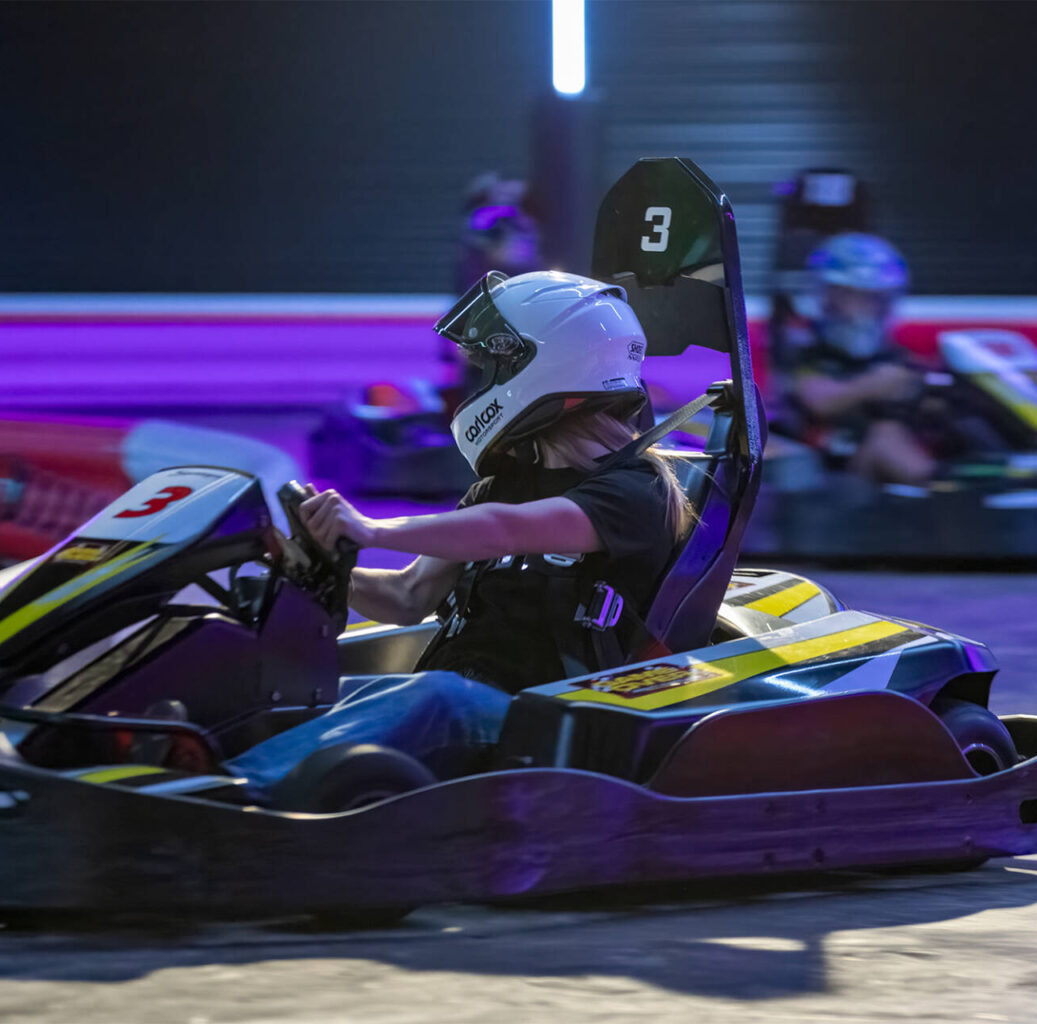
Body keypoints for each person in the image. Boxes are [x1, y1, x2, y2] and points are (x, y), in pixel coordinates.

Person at [223, 270, 692, 799]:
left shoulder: (635, 491)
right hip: (452, 695)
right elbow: (408, 596)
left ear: (553, 363)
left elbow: (505, 532)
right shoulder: (501, 487)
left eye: (493, 365)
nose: (480, 380)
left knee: (434, 698)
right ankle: (184, 759)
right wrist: (321, 567)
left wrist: (370, 530)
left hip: (546, 718)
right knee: (305, 694)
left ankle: (231, 793)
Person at [772, 232, 935, 484]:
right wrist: (873, 385)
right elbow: (819, 400)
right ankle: (941, 491)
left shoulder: (891, 354)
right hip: (822, 470)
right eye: (855, 296)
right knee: (885, 436)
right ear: (828, 296)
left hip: (873, 472)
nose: (868, 307)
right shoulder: (803, 347)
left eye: (877, 298)